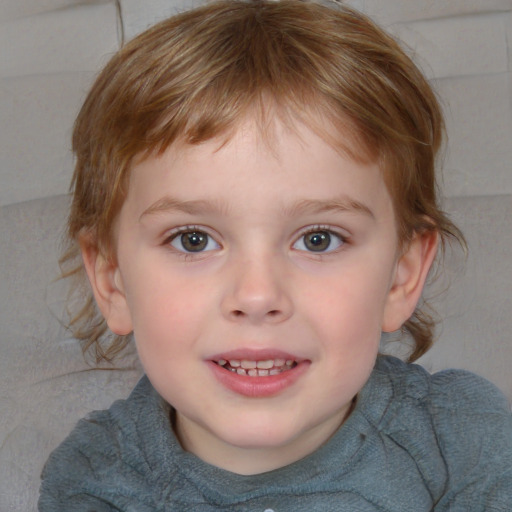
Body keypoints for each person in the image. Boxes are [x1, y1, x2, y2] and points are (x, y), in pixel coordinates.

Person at [38, 0, 512, 510]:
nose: (258, 295)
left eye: (318, 239)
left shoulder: (462, 441)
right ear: (112, 281)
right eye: (193, 240)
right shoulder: (94, 481)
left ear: (403, 274)